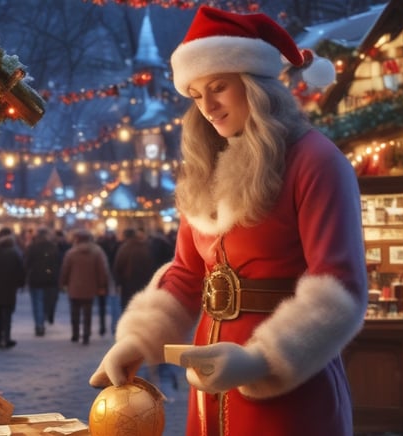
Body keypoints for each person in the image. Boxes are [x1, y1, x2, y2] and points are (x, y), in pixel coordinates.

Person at [89, 6, 368, 436]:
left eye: (218, 88)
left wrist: (262, 360)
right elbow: (187, 273)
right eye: (196, 95)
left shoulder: (316, 162)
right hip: (209, 385)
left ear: (254, 86)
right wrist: (138, 341)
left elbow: (339, 287)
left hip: (291, 388)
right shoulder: (204, 170)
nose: (208, 107)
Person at [59, 229, 109, 345]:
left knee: (74, 311)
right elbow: (101, 271)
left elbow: (65, 270)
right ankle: (86, 334)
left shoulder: (71, 253)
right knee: (88, 312)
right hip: (90, 287)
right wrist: (101, 285)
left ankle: (75, 333)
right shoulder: (97, 253)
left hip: (74, 287)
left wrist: (63, 283)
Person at [24, 227, 61, 337]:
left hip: (35, 278)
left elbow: (27, 263)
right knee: (46, 301)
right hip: (49, 279)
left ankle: (39, 324)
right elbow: (57, 263)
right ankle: (43, 318)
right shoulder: (53, 247)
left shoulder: (32, 247)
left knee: (37, 302)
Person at [112, 227, 155, 311]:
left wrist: (117, 283)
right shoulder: (145, 247)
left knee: (128, 306)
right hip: (144, 281)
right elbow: (152, 264)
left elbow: (118, 267)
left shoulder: (124, 248)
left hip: (128, 282)